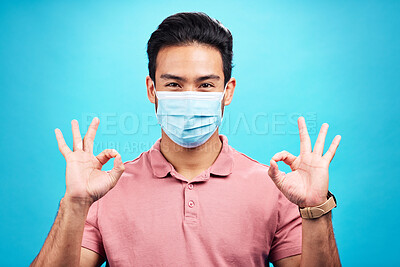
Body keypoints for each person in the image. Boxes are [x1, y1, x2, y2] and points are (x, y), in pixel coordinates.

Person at [31, 12, 342, 267]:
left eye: (205, 85)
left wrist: (316, 209)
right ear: (152, 90)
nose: (190, 98)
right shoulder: (107, 188)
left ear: (228, 91)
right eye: (174, 85)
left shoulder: (274, 187)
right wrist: (74, 205)